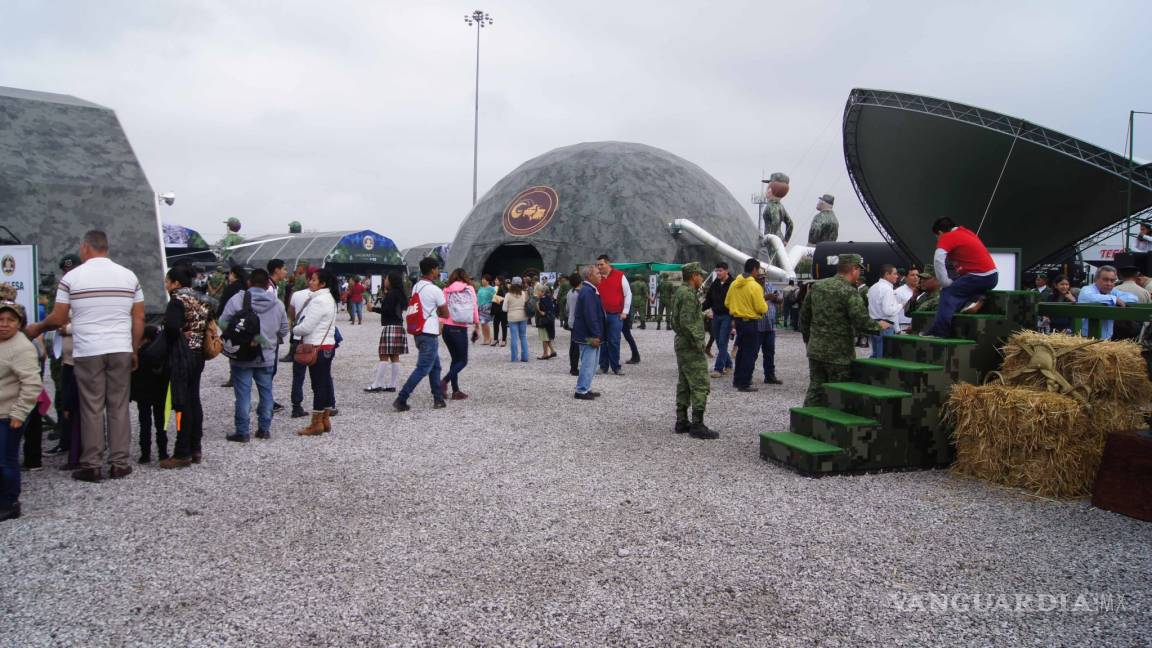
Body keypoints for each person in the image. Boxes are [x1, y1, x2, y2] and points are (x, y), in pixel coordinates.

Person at [26, 230, 144, 483]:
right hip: (120, 347)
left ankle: (92, 464)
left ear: (86, 248)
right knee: (118, 405)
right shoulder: (129, 276)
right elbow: (139, 318)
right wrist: (134, 349)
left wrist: (36, 328)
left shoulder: (72, 278)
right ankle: (120, 463)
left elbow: (58, 318)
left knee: (91, 407)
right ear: (106, 248)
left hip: (88, 349)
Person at [799, 254, 889, 407]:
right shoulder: (849, 291)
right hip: (839, 355)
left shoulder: (817, 286)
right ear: (853, 269)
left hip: (816, 350)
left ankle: (804, 425)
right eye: (859, 270)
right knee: (838, 393)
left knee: (815, 389)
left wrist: (809, 340)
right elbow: (861, 321)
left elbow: (804, 318)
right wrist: (879, 326)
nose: (859, 274)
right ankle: (832, 429)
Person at [218, 267, 289, 445]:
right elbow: (284, 330)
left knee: (243, 395)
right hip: (267, 355)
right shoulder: (278, 303)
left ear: (249, 283)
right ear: (268, 284)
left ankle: (242, 432)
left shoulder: (237, 299)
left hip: (242, 355)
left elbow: (223, 322)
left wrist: (238, 334)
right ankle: (264, 429)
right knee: (266, 393)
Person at [156, 265, 213, 464]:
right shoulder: (202, 299)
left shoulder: (177, 300)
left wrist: (179, 332)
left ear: (176, 284)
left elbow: (171, 327)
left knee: (181, 403)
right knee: (194, 400)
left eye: (167, 281)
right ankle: (196, 447)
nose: (165, 284)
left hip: (181, 356)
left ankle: (182, 452)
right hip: (198, 355)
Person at [924, 217, 998, 338]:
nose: (938, 239)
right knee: (962, 287)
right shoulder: (967, 232)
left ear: (940, 233)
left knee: (948, 292)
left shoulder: (947, 236)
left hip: (978, 276)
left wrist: (945, 282)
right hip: (992, 276)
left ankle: (939, 332)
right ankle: (978, 298)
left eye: (937, 236)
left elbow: (938, 260)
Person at [1, 299, 41, 520]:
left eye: (10, 320)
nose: (4, 324)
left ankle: (10, 502)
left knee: (6, 461)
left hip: (9, 415)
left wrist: (19, 413)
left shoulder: (22, 347)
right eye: (0, 319)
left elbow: (32, 384)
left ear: (19, 323)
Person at [669, 262, 717, 439]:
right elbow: (687, 322)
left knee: (684, 383)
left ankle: (681, 421)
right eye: (700, 275)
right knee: (700, 383)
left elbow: (678, 320)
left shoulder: (681, 292)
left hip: (682, 342)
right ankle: (698, 424)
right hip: (690, 344)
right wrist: (699, 342)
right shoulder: (688, 294)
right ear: (693, 276)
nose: (702, 279)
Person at [394, 258, 449, 411]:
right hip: (429, 332)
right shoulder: (435, 290)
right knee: (423, 368)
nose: (438, 272)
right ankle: (401, 398)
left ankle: (438, 399)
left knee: (435, 366)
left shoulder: (416, 287)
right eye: (437, 269)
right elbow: (445, 312)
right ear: (432, 270)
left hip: (419, 331)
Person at [291, 269, 339, 433]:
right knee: (324, 383)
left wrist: (294, 329)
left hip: (316, 346)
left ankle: (316, 423)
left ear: (322, 284)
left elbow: (307, 326)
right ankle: (325, 419)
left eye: (313, 280)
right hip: (327, 345)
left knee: (317, 385)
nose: (310, 282)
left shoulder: (318, 301)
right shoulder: (329, 298)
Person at [724, 258, 768, 392]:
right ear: (754, 269)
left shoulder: (734, 284)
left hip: (738, 322)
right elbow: (761, 308)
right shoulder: (755, 286)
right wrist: (765, 305)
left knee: (741, 351)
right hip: (750, 322)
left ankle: (737, 379)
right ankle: (744, 382)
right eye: (758, 269)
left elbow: (727, 302)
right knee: (750, 353)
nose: (759, 272)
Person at [131, 325, 169, 463]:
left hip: (143, 393)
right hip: (160, 393)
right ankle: (163, 453)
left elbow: (133, 375)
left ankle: (145, 454)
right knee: (161, 424)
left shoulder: (140, 354)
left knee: (144, 423)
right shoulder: (162, 353)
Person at [365, 272, 408, 393]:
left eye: (386, 279)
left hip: (390, 326)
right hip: (399, 326)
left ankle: (377, 384)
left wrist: (372, 308)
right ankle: (392, 384)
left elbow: (387, 311)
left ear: (391, 281)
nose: (385, 281)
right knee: (395, 356)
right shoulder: (400, 294)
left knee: (383, 355)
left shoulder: (391, 294)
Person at [441, 268, 480, 400]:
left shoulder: (446, 290)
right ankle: (444, 382)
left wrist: (441, 325)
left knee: (455, 360)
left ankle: (455, 391)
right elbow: (474, 307)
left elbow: (442, 309)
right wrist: (477, 324)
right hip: (459, 328)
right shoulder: (469, 289)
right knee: (462, 361)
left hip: (447, 328)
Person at [1076, 265, 1138, 340]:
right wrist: (1114, 300)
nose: (1109, 283)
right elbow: (1088, 297)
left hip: (1107, 340)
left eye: (1112, 281)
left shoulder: (1112, 292)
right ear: (1096, 279)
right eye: (1105, 280)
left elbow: (1133, 298)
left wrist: (1116, 299)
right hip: (1087, 339)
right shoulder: (1086, 290)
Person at [595, 255, 632, 376]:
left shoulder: (619, 275)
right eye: (598, 265)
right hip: (601, 316)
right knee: (602, 341)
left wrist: (625, 312)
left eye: (601, 264)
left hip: (615, 315)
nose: (599, 267)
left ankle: (616, 367)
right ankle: (603, 366)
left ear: (608, 264)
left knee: (614, 341)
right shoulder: (597, 278)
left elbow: (628, 294)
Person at [572, 265, 604, 400]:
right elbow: (590, 316)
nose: (600, 275)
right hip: (588, 336)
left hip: (588, 334)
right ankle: (581, 390)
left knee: (593, 363)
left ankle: (586, 387)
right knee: (588, 363)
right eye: (597, 273)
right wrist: (596, 335)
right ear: (589, 276)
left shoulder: (589, 290)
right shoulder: (588, 292)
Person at [287, 268, 316, 418]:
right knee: (319, 375)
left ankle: (296, 405)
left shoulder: (296, 295)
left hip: (299, 339)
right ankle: (322, 405)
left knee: (298, 376)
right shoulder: (324, 297)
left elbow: (291, 314)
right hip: (316, 341)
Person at [216, 266, 247, 388]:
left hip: (231, 323)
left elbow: (223, 305)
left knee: (232, 349)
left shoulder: (230, 288)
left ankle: (234, 377)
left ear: (233, 274)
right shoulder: (246, 286)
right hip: (246, 323)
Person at [702, 262, 734, 378]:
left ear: (727, 271)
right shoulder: (715, 284)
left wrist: (734, 320)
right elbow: (709, 300)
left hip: (727, 316)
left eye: (720, 270)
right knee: (719, 342)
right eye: (717, 271)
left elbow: (735, 302)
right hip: (716, 316)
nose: (718, 273)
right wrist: (699, 308)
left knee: (722, 342)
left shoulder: (733, 284)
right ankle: (729, 364)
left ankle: (718, 369)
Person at [867, 265, 901, 358]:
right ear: (886, 274)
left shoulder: (873, 287)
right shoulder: (887, 289)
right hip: (885, 326)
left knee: (876, 354)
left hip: (873, 324)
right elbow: (888, 311)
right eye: (894, 273)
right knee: (883, 357)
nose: (897, 276)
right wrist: (901, 305)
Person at [758, 275, 782, 385]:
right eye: (760, 277)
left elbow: (780, 299)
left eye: (764, 277)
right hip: (757, 325)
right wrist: (766, 297)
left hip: (770, 326)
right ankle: (745, 377)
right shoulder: (753, 286)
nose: (763, 279)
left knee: (770, 352)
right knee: (752, 353)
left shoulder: (770, 285)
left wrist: (776, 298)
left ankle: (770, 376)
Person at [503, 277, 531, 363]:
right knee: (523, 336)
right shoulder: (524, 293)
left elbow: (504, 309)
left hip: (512, 318)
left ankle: (514, 358)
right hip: (523, 317)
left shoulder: (508, 295)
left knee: (514, 338)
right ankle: (525, 357)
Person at [566, 273, 583, 376]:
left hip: (571, 320)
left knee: (573, 345)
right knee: (576, 346)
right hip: (577, 322)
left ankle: (572, 366)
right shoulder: (580, 294)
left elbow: (567, 308)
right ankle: (574, 368)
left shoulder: (569, 292)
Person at [534, 285, 558, 360]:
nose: (536, 292)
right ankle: (552, 351)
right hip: (549, 322)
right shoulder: (548, 298)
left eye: (537, 291)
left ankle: (545, 353)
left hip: (543, 322)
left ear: (542, 292)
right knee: (547, 337)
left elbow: (543, 313)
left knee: (544, 338)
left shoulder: (541, 300)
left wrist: (537, 307)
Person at [893, 268, 919, 333]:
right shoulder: (898, 292)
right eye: (912, 275)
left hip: (919, 326)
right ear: (906, 277)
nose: (915, 277)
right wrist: (897, 329)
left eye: (917, 275)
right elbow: (894, 311)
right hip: (903, 326)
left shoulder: (924, 291)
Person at [476, 275, 495, 345]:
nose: (482, 280)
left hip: (487, 308)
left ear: (488, 281)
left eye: (484, 279)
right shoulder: (480, 288)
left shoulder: (491, 289)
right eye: (482, 279)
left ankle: (488, 338)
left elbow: (495, 298)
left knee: (485, 323)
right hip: (480, 308)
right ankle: (485, 338)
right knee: (482, 323)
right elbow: (478, 297)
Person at [489, 277, 508, 347]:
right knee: (496, 324)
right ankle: (496, 339)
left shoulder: (503, 288)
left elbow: (505, 298)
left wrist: (496, 297)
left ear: (500, 281)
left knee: (503, 325)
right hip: (497, 309)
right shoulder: (496, 288)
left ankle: (503, 340)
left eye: (496, 280)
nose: (495, 281)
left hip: (502, 308)